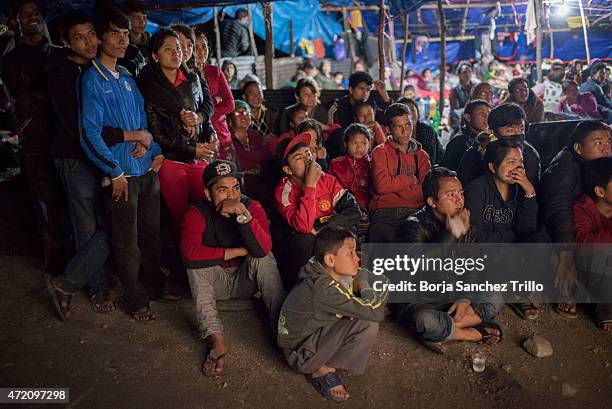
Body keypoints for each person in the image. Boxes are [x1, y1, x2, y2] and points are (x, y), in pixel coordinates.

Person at [80, 6, 165, 323]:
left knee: (151, 236)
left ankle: (154, 289)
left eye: (126, 33)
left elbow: (143, 121)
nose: (122, 39)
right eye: (115, 33)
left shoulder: (127, 77)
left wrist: (154, 149)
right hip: (121, 177)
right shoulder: (91, 79)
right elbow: (89, 133)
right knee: (127, 244)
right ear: (100, 38)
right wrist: (113, 172)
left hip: (145, 172)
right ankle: (135, 300)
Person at [46, 10, 120, 319]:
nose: (89, 42)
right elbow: (80, 127)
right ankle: (96, 287)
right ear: (65, 42)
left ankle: (67, 282)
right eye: (79, 37)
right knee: (87, 226)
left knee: (114, 221)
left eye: (91, 34)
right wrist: (124, 135)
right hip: (74, 157)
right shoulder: (59, 74)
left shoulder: (101, 68)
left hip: (106, 155)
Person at [181, 159, 285, 376]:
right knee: (196, 267)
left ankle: (283, 328)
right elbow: (189, 255)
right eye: (222, 190)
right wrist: (237, 251)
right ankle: (216, 339)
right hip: (215, 282)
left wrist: (243, 215)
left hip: (245, 280)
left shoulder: (252, 207)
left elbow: (263, 248)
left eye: (235, 188)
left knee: (264, 258)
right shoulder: (197, 212)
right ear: (208, 194)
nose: (231, 196)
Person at [395, 167, 502, 354]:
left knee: (498, 294)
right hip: (423, 300)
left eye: (460, 193)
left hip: (454, 295)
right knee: (422, 319)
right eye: (450, 195)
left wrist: (465, 298)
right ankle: (472, 333)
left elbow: (474, 267)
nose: (459, 199)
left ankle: (443, 330)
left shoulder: (465, 221)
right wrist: (451, 234)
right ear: (432, 201)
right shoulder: (412, 226)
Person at [278, 225, 388, 402]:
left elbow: (369, 276)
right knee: (368, 323)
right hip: (300, 354)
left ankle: (323, 359)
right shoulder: (324, 289)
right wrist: (366, 287)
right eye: (350, 254)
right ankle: (322, 369)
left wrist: (363, 282)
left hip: (307, 336)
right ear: (330, 259)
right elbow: (375, 312)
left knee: (354, 292)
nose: (357, 258)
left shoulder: (320, 267)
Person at [1, 0, 70, 275]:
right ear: (16, 20)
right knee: (47, 202)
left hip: (68, 138)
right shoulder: (10, 60)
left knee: (74, 200)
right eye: (25, 13)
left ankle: (78, 257)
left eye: (36, 12)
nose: (32, 17)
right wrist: (58, 99)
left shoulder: (58, 54)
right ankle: (57, 263)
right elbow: (23, 101)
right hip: (36, 140)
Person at [137, 28, 216, 248]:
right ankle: (183, 267)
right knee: (180, 217)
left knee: (205, 211)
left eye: (179, 48)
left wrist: (210, 133)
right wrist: (193, 150)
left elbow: (206, 109)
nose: (176, 54)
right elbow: (158, 134)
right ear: (154, 56)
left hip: (199, 158)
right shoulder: (149, 87)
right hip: (172, 161)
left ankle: (207, 260)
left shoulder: (192, 78)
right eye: (168, 49)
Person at [539, 120, 611, 318]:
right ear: (579, 148)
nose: (607, 148)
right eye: (598, 143)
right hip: (555, 230)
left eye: (609, 142)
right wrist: (566, 257)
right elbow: (558, 212)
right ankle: (567, 288)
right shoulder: (563, 170)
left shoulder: (594, 163)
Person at [274, 133, 362, 289]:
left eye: (308, 153)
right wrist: (310, 186)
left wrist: (324, 230)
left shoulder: (327, 179)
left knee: (348, 230)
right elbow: (304, 227)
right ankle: (300, 292)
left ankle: (348, 288)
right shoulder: (283, 190)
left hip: (325, 233)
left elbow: (353, 210)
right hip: (301, 245)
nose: (308, 159)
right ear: (288, 169)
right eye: (299, 158)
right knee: (304, 238)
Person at [368, 103, 431, 243]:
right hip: (386, 210)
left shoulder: (422, 156)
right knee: (383, 237)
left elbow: (425, 190)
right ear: (388, 129)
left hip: (416, 209)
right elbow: (382, 186)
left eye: (408, 125)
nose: (405, 131)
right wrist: (410, 180)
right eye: (399, 127)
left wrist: (395, 188)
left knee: (420, 238)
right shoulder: (380, 152)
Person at [458, 103, 540, 188]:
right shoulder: (474, 155)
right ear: (492, 132)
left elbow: (533, 188)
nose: (517, 134)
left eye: (521, 129)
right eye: (510, 130)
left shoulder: (530, 154)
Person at [574, 157, 612, 333]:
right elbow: (583, 242)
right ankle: (606, 312)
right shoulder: (583, 208)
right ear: (600, 191)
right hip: (588, 273)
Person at [197, 32, 236, 160]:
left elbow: (230, 103)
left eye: (204, 46)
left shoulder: (215, 72)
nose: (201, 51)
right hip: (198, 136)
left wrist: (203, 115)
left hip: (220, 132)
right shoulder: (184, 75)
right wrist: (215, 101)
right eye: (196, 47)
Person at [228, 100, 272, 205]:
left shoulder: (255, 135)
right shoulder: (227, 136)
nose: (244, 116)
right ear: (230, 118)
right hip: (236, 181)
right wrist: (255, 159)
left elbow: (266, 155)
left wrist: (244, 157)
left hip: (259, 181)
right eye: (238, 113)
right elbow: (236, 162)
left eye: (247, 112)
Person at [329, 123, 371, 210]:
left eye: (364, 143)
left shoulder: (372, 164)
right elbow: (331, 189)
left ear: (369, 144)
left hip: (367, 207)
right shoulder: (336, 164)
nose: (359, 147)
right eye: (354, 143)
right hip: (342, 207)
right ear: (346, 144)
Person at [442, 100, 491, 171]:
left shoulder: (486, 138)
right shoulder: (460, 141)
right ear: (468, 117)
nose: (486, 117)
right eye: (481, 113)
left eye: (489, 114)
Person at [397, 97, 444, 165]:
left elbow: (430, 161)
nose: (409, 115)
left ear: (418, 113)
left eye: (412, 110)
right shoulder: (395, 132)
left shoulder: (427, 131)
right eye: (405, 111)